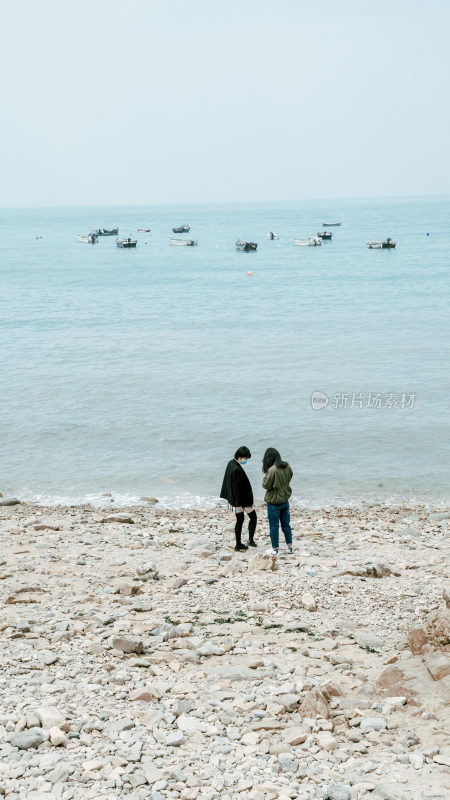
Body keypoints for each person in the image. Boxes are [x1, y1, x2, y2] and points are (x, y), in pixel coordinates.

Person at [220, 446, 257, 551]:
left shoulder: (231, 463)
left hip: (234, 499)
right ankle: (248, 541)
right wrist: (239, 504)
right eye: (245, 459)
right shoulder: (236, 469)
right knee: (252, 517)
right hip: (241, 501)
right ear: (240, 457)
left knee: (240, 520)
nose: (246, 460)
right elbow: (237, 489)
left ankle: (239, 544)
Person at [262, 448, 293, 555]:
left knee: (274, 526)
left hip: (274, 502)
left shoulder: (272, 470)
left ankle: (274, 549)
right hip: (285, 499)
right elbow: (290, 476)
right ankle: (289, 547)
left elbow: (266, 485)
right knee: (286, 525)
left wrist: (265, 476)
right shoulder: (287, 466)